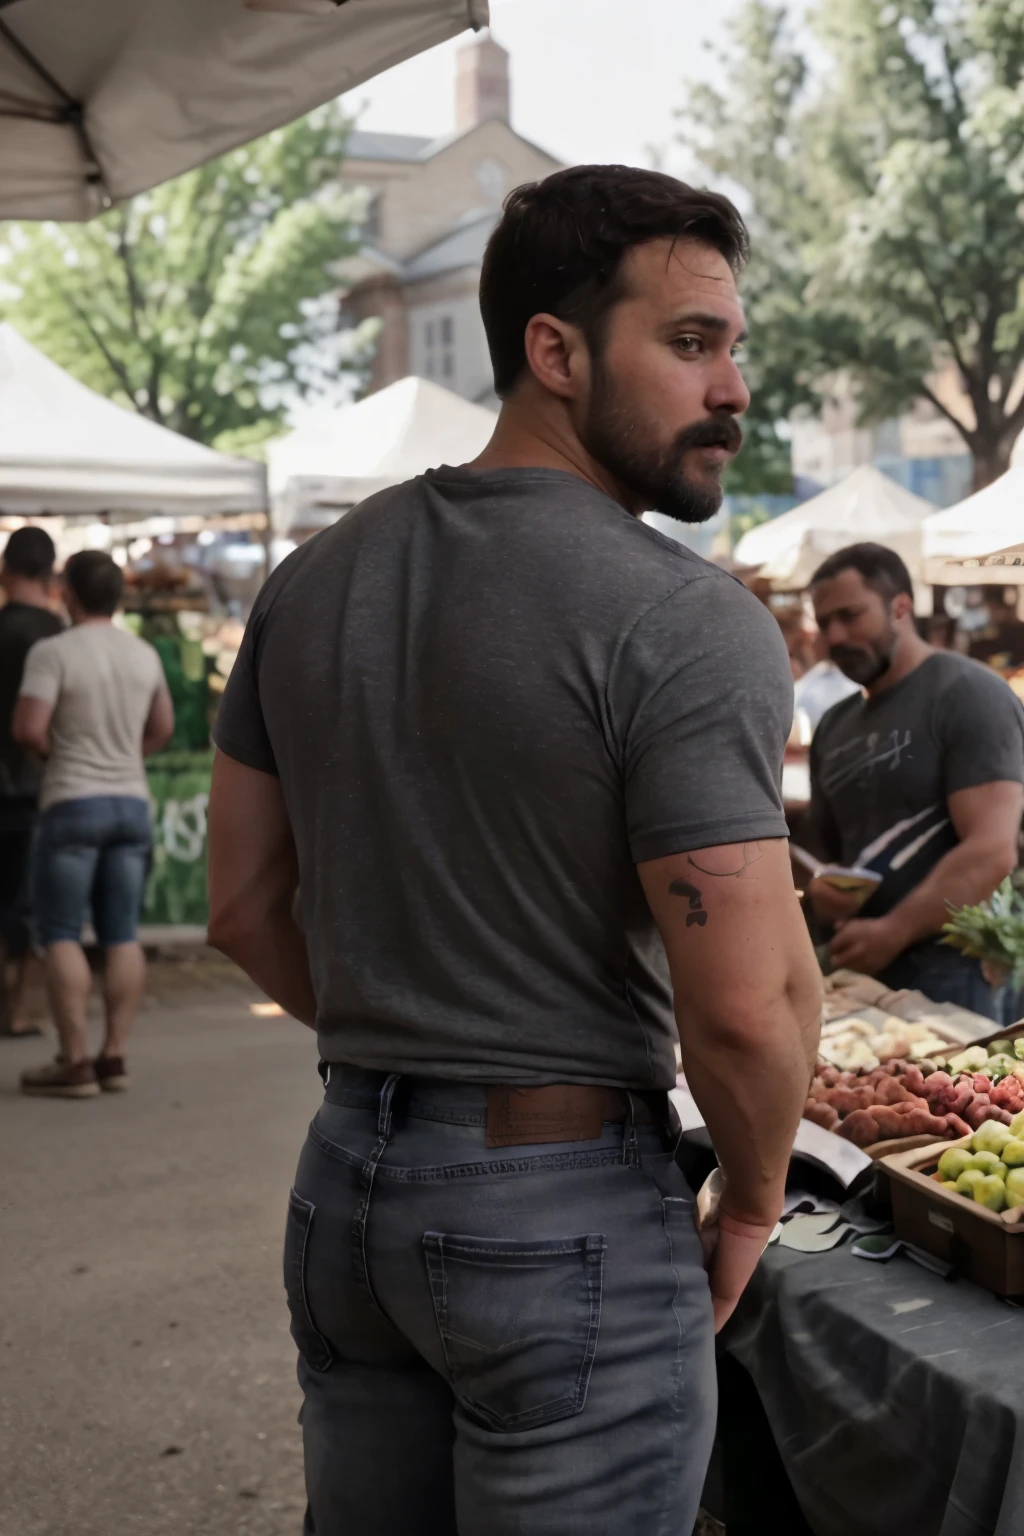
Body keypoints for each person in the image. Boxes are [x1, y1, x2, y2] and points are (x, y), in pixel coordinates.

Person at [207, 164, 823, 1536]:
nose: (732, 387)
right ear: (553, 350)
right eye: (689, 343)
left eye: (735, 348)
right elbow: (741, 1006)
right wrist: (752, 1203)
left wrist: (415, 1045)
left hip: (346, 1187)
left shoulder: (312, 583)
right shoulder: (683, 619)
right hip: (562, 1214)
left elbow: (243, 906)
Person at [805, 543, 1024, 1017]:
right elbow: (829, 854)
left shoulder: (968, 694)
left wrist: (894, 931)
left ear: (900, 607)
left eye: (850, 615)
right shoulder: (834, 725)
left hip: (957, 973)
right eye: (825, 623)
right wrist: (822, 892)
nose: (836, 635)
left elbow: (992, 850)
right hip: (858, 974)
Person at [13, 550, 174, 1097]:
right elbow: (162, 727)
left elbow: (29, 728)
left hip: (72, 801)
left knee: (60, 932)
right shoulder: (143, 654)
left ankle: (75, 1060)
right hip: (130, 801)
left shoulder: (52, 652)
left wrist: (57, 758)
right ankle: (115, 1057)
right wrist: (125, 758)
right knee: (121, 933)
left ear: (69, 593)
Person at [0, 527, 64, 1036]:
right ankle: (16, 1011)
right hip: (38, 782)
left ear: (5, 570)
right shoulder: (59, 634)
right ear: (50, 576)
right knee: (28, 905)